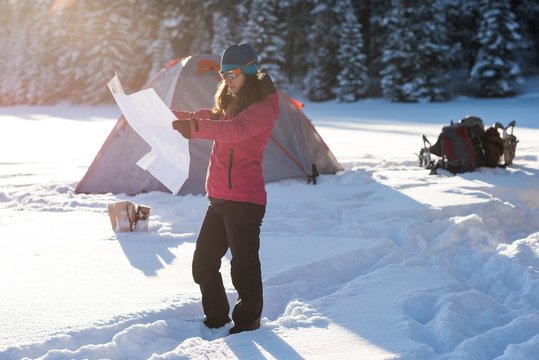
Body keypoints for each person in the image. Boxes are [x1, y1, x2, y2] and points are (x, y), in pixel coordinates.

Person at [171, 43, 279, 334]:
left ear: (249, 71)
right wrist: (170, 117)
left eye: (232, 74)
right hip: (218, 197)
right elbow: (212, 117)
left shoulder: (263, 107)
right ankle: (217, 318)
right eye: (223, 74)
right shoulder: (231, 99)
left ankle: (247, 323)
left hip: (245, 200)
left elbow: (235, 131)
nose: (226, 79)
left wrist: (193, 128)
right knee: (203, 264)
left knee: (243, 268)